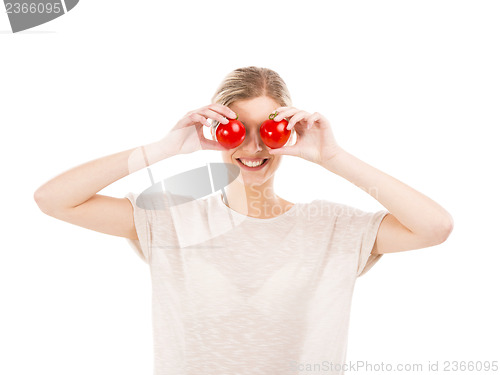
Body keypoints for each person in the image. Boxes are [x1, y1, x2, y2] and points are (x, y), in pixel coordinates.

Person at [34, 66, 454, 375]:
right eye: (238, 130)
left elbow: (434, 227)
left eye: (267, 130)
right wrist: (162, 149)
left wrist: (334, 157)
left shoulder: (332, 228)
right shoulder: (171, 219)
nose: (253, 148)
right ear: (218, 131)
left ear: (286, 131)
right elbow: (53, 199)